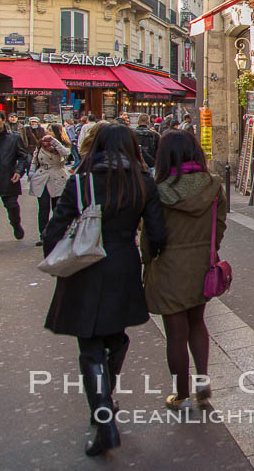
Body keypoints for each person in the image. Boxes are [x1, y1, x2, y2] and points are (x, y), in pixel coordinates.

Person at [41, 124, 166, 456]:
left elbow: (55, 230)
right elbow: (157, 231)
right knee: (115, 336)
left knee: (90, 345)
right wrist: (147, 256)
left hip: (85, 265)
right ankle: (106, 398)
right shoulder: (142, 182)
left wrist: (57, 262)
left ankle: (103, 416)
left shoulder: (81, 182)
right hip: (123, 264)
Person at [144, 130, 227, 410]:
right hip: (201, 263)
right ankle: (202, 382)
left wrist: (146, 263)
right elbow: (221, 224)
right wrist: (209, 248)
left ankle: (180, 393)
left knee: (176, 334)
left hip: (168, 266)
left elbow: (150, 235)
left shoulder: (158, 191)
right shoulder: (213, 186)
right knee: (198, 323)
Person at [0, 108, 29, 248]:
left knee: (12, 206)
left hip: (8, 177)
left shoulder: (14, 137)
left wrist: (19, 171)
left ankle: (16, 225)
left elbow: (23, 157)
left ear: (3, 120)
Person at [29, 124, 71, 247]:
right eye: (47, 129)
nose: (47, 132)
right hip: (42, 177)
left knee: (57, 208)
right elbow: (34, 159)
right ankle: (43, 235)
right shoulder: (41, 144)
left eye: (51, 130)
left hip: (58, 176)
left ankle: (58, 234)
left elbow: (66, 153)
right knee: (43, 208)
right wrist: (31, 172)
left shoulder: (61, 144)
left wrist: (54, 141)